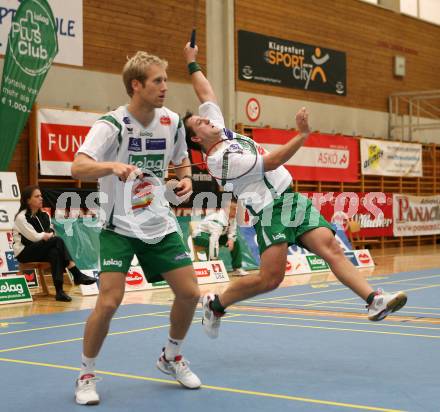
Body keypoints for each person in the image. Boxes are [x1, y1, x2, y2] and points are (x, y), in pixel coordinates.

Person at [182, 42, 407, 340]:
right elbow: (272, 160)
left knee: (332, 248)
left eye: (204, 116)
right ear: (197, 138)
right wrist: (301, 135)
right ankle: (217, 303)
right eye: (200, 122)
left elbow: (205, 92)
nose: (207, 118)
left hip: (290, 198)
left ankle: (374, 301)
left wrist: (191, 62)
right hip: (269, 211)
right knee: (270, 279)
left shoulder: (221, 130)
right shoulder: (219, 160)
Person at [71, 51, 201, 405]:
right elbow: (78, 167)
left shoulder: (172, 121)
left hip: (159, 222)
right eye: (157, 80)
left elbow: (182, 161)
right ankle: (85, 374)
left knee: (190, 294)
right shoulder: (111, 125)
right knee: (110, 301)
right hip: (118, 225)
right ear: (136, 85)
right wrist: (111, 165)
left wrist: (186, 179)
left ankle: (171, 357)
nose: (165, 87)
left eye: (165, 79)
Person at [12, 185, 97, 302]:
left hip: (41, 249)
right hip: (25, 252)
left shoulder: (45, 215)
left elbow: (51, 230)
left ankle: (59, 292)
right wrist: (47, 236)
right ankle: (76, 273)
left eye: (41, 196)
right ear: (28, 200)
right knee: (57, 240)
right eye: (37, 196)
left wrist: (48, 235)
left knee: (55, 252)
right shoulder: (21, 217)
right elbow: (34, 237)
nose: (41, 198)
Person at [192, 199, 248, 275]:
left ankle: (237, 268)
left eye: (237, 209)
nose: (237, 212)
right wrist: (215, 260)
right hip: (200, 235)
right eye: (234, 209)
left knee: (235, 241)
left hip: (216, 235)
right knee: (210, 242)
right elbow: (213, 240)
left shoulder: (233, 217)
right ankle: (212, 266)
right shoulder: (218, 219)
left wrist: (231, 239)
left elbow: (232, 231)